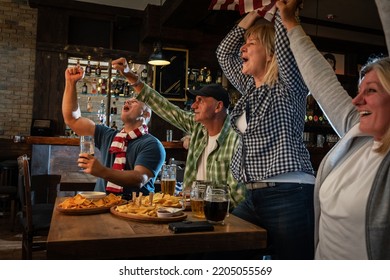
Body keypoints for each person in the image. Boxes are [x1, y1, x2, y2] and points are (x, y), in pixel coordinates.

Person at [277, 0, 390, 259]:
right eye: (359, 90)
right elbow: (321, 80)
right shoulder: (357, 132)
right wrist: (291, 21)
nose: (356, 100)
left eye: (371, 90)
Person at [216, 6, 315, 260]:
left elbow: (284, 41)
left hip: (289, 191)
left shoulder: (288, 85)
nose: (242, 49)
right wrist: (254, 15)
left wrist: (280, 11)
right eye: (245, 43)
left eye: (251, 44)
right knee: (221, 250)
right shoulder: (250, 89)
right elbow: (224, 52)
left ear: (271, 54)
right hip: (254, 195)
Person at [111, 57, 245, 208]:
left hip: (218, 216)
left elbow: (236, 197)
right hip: (191, 210)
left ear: (218, 107)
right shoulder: (198, 128)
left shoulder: (236, 139)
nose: (193, 105)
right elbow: (166, 108)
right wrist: (131, 77)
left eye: (200, 100)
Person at [62, 65, 165, 200]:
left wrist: (102, 171)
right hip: (101, 205)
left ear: (146, 114)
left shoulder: (152, 144)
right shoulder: (108, 135)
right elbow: (72, 119)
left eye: (134, 101)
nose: (127, 101)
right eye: (128, 100)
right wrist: (70, 83)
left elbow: (139, 179)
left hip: (134, 211)